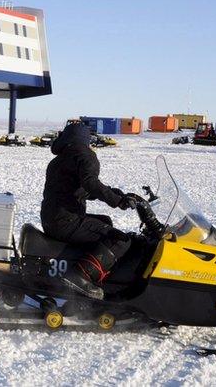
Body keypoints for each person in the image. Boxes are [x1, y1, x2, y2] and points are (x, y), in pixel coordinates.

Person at [41, 122, 145, 299]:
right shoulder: (84, 155)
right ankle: (79, 277)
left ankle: (94, 271)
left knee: (105, 221)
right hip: (66, 221)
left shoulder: (59, 160)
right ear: (84, 138)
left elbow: (81, 189)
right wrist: (118, 201)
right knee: (119, 240)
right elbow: (90, 183)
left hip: (53, 219)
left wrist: (117, 194)